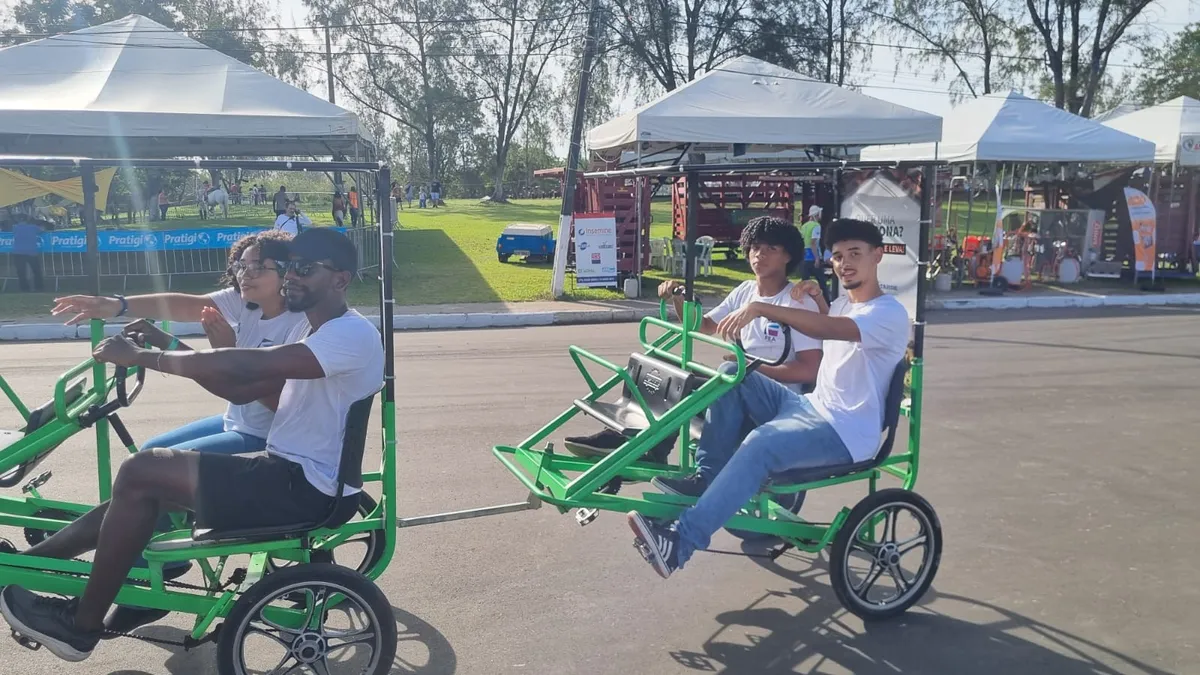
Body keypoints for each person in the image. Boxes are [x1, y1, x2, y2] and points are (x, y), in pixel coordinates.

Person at [0, 228, 384, 663]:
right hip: (287, 472)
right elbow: (239, 387)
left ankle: (80, 626)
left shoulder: (349, 335)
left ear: (341, 280)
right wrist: (165, 343)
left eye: (306, 269)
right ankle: (34, 564)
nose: (293, 276)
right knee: (145, 476)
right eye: (292, 267)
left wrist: (147, 356)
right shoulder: (314, 334)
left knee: (142, 471)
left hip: (307, 488)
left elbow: (243, 363)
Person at [627, 218, 910, 579]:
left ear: (878, 256)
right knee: (731, 374)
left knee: (759, 444)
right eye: (838, 256)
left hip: (846, 431)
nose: (845, 263)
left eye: (855, 254)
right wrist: (820, 298)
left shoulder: (888, 313)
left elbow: (826, 331)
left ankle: (679, 544)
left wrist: (762, 308)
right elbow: (829, 328)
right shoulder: (840, 304)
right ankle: (707, 476)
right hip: (810, 407)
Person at [564, 216, 823, 465]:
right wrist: (679, 296)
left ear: (788, 255)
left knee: (687, 385)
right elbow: (703, 325)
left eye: (771, 248)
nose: (760, 255)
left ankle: (661, 453)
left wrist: (749, 369)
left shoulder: (797, 302)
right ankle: (625, 436)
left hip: (776, 399)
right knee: (656, 363)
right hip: (738, 381)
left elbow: (808, 369)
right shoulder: (744, 291)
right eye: (755, 247)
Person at [800, 205, 829, 300]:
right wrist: (817, 258)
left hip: (804, 256)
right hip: (812, 256)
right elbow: (813, 243)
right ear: (817, 214)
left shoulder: (804, 226)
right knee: (822, 282)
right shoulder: (816, 226)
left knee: (805, 282)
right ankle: (826, 302)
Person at [11, 214, 44, 292]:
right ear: (27, 220)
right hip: (31, 252)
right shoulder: (33, 227)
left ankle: (24, 288)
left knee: (21, 272)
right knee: (36, 271)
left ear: (19, 220)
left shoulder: (15, 227)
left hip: (18, 252)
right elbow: (42, 230)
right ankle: (39, 287)